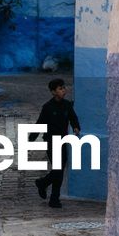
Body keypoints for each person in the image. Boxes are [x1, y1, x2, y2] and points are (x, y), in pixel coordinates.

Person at [34, 77, 81, 209]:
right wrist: (31, 139)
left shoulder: (67, 105)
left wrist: (76, 127)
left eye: (64, 88)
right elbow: (40, 124)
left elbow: (73, 118)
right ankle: (54, 198)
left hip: (63, 141)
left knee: (59, 170)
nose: (63, 90)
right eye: (60, 88)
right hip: (51, 141)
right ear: (53, 92)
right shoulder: (47, 107)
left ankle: (43, 183)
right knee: (58, 170)